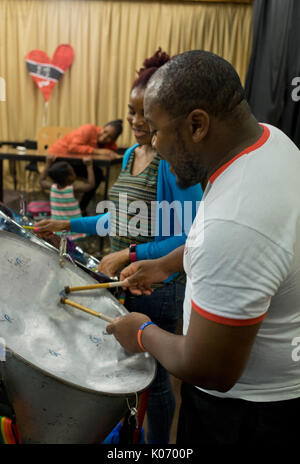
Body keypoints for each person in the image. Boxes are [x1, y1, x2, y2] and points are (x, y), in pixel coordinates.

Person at [104, 50, 300, 445]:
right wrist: (166, 263)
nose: (155, 144)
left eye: (157, 131)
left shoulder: (236, 221)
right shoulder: (268, 140)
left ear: (197, 125)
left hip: (245, 415)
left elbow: (210, 369)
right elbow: (231, 245)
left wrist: (141, 331)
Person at [35, 49, 203, 444]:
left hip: (157, 288)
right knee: (129, 374)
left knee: (155, 382)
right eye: (131, 112)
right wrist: (68, 223)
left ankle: (159, 446)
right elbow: (120, 220)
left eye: (145, 113)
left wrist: (130, 254)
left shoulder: (171, 163)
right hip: (126, 283)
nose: (136, 121)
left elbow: (192, 235)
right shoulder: (130, 155)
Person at [48, 120, 123, 214]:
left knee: (97, 175)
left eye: (109, 137)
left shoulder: (108, 142)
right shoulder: (88, 129)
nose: (104, 137)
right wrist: (98, 151)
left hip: (75, 162)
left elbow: (112, 149)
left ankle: (81, 208)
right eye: (105, 132)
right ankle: (58, 208)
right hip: (59, 159)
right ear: (102, 127)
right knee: (64, 173)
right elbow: (73, 147)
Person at [39, 154, 95, 238]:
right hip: (74, 230)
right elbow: (91, 185)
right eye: (72, 172)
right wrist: (89, 166)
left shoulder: (52, 187)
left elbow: (41, 181)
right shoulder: (73, 189)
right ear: (69, 177)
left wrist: (48, 163)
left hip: (57, 230)